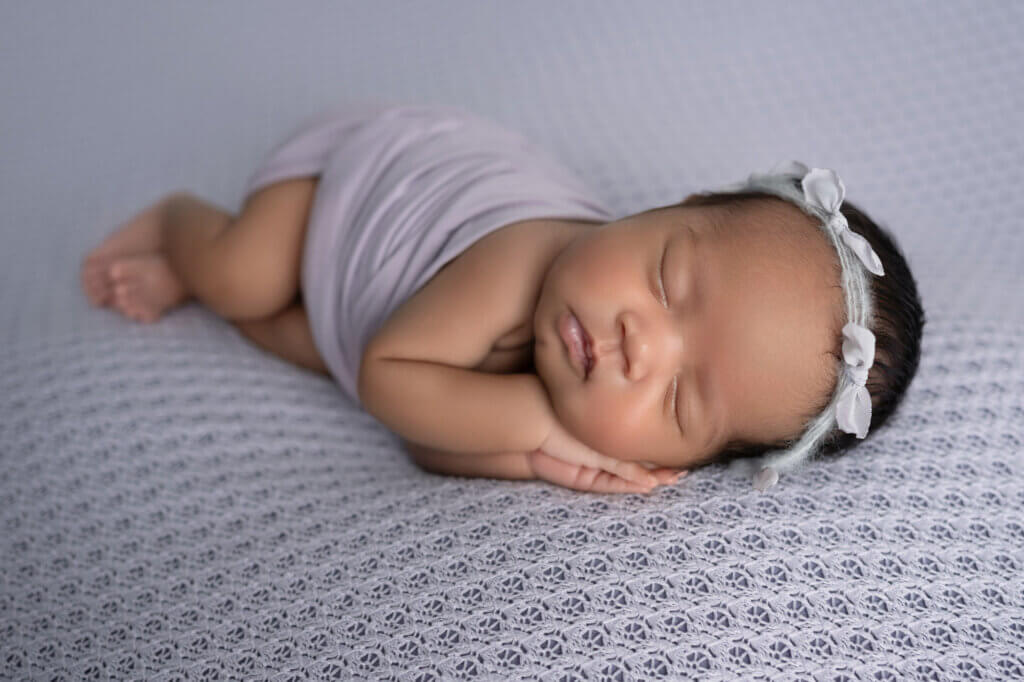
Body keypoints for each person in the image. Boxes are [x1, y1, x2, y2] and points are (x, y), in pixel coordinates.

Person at [80, 102, 925, 494]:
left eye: (677, 395)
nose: (641, 345)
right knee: (246, 281)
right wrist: (543, 427)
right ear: (671, 205)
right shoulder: (526, 261)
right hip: (357, 183)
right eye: (667, 281)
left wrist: (530, 462)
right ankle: (187, 228)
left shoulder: (578, 398)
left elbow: (426, 437)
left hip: (384, 308)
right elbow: (388, 380)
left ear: (670, 466)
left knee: (291, 340)